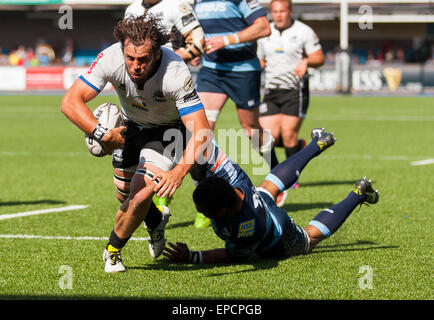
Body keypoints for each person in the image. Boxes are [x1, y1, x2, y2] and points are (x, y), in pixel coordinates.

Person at [61, 15, 212, 273]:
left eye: (143, 59)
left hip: (166, 132)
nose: (135, 66)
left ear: (157, 53)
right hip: (129, 127)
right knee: (125, 195)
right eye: (130, 58)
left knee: (141, 192)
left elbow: (201, 130)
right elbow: (70, 102)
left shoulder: (175, 70)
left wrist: (178, 172)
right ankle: (156, 221)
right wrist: (101, 133)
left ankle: (112, 251)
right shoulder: (111, 57)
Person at [162, 128, 380, 263]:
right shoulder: (235, 178)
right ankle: (318, 142)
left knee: (309, 237)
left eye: (204, 211)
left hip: (279, 236)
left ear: (222, 211)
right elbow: (209, 147)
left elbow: (233, 257)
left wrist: (192, 257)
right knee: (268, 186)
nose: (200, 212)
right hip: (257, 200)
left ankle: (359, 193)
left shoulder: (245, 229)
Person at [191, 0, 280, 227]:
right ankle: (207, 198)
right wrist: (194, 48)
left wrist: (227, 40)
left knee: (251, 131)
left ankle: (277, 174)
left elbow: (263, 27)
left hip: (243, 71)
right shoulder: (196, 1)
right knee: (200, 133)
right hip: (212, 71)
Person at [121, 0, 206, 208]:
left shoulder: (176, 6)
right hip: (140, 88)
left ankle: (203, 196)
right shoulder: (131, 9)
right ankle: (160, 192)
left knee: (192, 143)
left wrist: (174, 59)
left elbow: (199, 41)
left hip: (171, 87)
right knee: (149, 140)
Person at [256, 0, 325, 196]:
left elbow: (320, 58)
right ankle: (279, 169)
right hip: (271, 91)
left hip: (295, 91)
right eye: (275, 11)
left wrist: (306, 61)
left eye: (282, 11)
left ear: (290, 11)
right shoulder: (264, 32)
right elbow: (260, 59)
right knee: (259, 137)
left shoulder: (304, 31)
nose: (278, 15)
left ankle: (288, 178)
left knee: (287, 136)